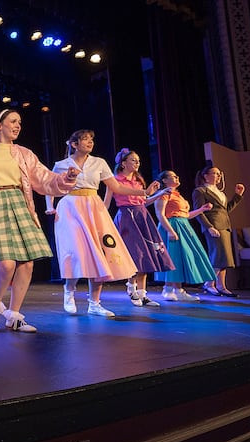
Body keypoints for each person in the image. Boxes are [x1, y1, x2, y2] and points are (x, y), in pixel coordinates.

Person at [0, 109, 77, 332]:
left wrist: (65, 178)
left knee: (27, 263)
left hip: (20, 204)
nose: (17, 125)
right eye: (12, 121)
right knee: (7, 262)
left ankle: (14, 315)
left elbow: (44, 178)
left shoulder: (24, 153)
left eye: (19, 122)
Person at [45, 130, 160, 317]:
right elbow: (50, 187)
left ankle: (94, 303)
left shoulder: (99, 162)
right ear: (74, 144)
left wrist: (144, 192)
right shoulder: (62, 165)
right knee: (75, 251)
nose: (90, 142)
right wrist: (50, 206)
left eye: (91, 139)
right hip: (71, 207)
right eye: (85, 139)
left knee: (100, 253)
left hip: (93, 207)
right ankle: (69, 290)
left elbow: (116, 187)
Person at [103, 148, 174, 307]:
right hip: (127, 218)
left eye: (138, 161)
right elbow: (106, 203)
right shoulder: (114, 181)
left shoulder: (138, 181)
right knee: (135, 254)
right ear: (123, 163)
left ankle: (143, 294)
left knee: (146, 254)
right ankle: (131, 288)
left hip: (142, 216)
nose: (137, 163)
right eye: (133, 160)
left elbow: (144, 202)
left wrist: (159, 193)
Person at [153, 170, 216, 301]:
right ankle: (167, 289)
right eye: (173, 176)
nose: (177, 177)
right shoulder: (163, 194)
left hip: (183, 226)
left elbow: (185, 215)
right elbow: (160, 214)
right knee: (173, 257)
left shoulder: (178, 195)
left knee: (182, 258)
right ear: (164, 180)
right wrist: (170, 231)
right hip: (172, 225)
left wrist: (201, 210)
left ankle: (179, 290)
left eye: (177, 175)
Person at [193, 165, 245, 297]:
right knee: (218, 255)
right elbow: (199, 212)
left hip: (224, 226)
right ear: (206, 176)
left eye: (219, 174)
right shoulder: (200, 191)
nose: (218, 176)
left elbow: (225, 210)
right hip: (214, 226)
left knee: (224, 257)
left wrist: (237, 196)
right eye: (215, 173)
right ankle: (209, 283)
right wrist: (209, 227)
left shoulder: (220, 192)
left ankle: (221, 285)